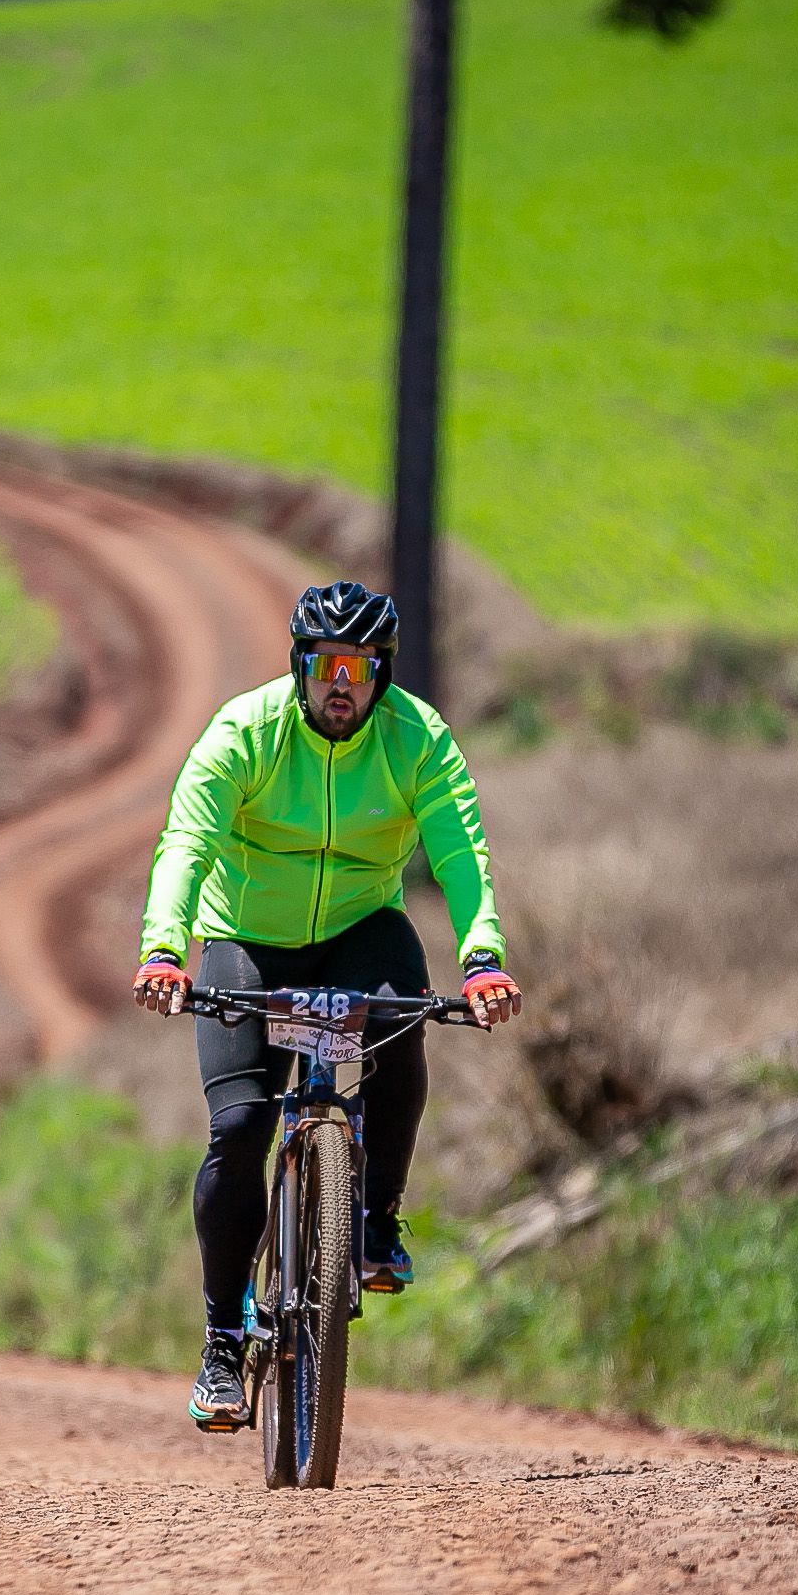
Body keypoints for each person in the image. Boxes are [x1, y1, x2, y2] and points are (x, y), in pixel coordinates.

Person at [134, 580, 521, 1428]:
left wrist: (482, 957)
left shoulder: (417, 738)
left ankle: (376, 1220)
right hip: (246, 936)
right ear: (298, 666)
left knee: (403, 1022)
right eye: (325, 666)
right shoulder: (244, 732)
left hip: (360, 929)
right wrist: (164, 949)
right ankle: (222, 1343)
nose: (340, 684)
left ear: (383, 675)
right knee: (240, 1128)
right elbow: (187, 842)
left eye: (359, 668)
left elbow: (462, 851)